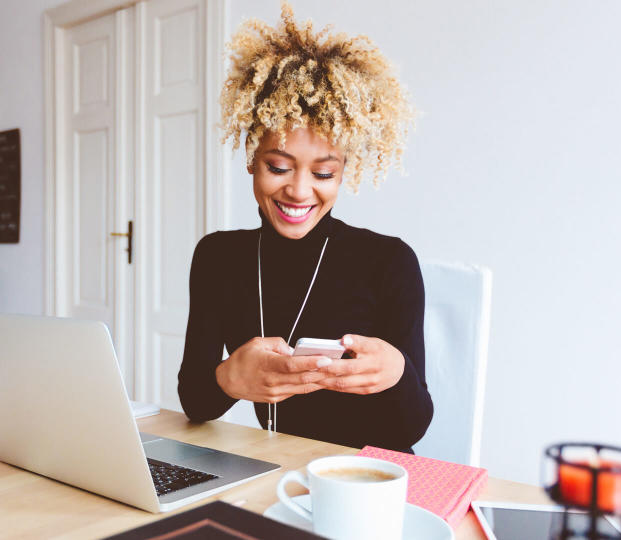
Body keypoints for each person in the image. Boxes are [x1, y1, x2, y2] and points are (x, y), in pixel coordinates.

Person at [177, 3, 432, 453]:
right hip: (273, 467)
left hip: (367, 480)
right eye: (278, 166)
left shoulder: (390, 261)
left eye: (322, 173)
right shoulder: (217, 257)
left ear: (343, 173)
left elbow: (411, 428)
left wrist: (396, 372)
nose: (298, 191)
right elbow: (195, 401)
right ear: (252, 159)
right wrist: (228, 377)